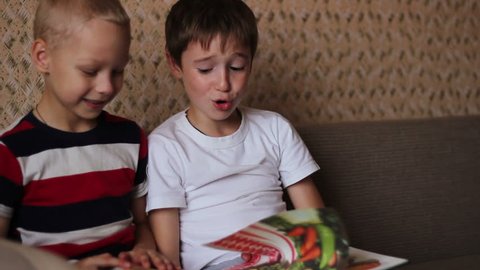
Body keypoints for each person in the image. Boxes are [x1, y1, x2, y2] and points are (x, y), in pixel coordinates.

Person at [146, 0, 325, 269]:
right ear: (175, 64)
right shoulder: (166, 145)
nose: (224, 84)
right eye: (206, 69)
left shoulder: (274, 129)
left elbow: (314, 221)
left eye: (237, 66)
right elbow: (167, 256)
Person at [0, 1, 179, 269]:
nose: (107, 87)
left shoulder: (131, 138)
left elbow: (141, 223)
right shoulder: (11, 151)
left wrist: (143, 250)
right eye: (90, 71)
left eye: (117, 71)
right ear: (43, 57)